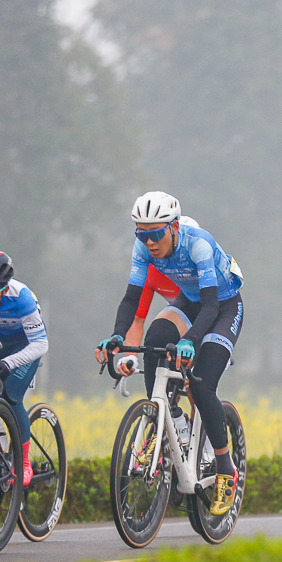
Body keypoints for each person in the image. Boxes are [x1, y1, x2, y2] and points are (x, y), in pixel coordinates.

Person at [98, 191, 244, 516]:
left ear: (174, 227)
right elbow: (131, 300)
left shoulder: (199, 244)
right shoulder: (142, 249)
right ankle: (168, 415)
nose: (149, 242)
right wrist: (117, 337)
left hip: (222, 305)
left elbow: (210, 305)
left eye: (155, 234)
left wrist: (191, 339)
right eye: (141, 234)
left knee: (202, 384)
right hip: (190, 302)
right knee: (157, 336)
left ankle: (225, 467)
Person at [96, 216, 199, 393]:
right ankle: (169, 414)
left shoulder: (198, 270)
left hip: (204, 318)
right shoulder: (151, 271)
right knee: (158, 348)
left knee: (196, 389)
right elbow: (137, 320)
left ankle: (199, 417)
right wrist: (131, 357)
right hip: (180, 317)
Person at [0, 251, 49, 483]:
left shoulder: (21, 297)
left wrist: (9, 362)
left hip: (25, 347)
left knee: (11, 396)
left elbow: (41, 344)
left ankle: (23, 463)